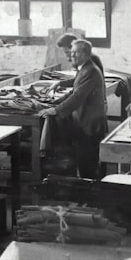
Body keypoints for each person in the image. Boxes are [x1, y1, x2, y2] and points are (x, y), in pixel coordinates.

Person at [39, 39, 108, 179]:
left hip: (90, 125)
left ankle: (91, 189)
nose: (72, 56)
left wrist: (55, 110)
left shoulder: (90, 71)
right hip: (85, 122)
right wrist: (55, 102)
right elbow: (75, 88)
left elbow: (77, 97)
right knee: (85, 162)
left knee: (88, 164)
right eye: (71, 53)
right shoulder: (85, 68)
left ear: (85, 54)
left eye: (75, 53)